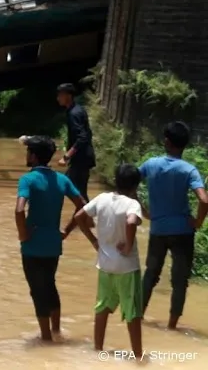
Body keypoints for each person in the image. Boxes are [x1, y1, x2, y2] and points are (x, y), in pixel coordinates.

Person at [17, 135, 96, 341]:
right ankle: (56, 331)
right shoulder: (62, 179)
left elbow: (19, 210)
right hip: (53, 243)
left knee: (37, 290)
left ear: (33, 156)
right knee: (49, 285)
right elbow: (83, 206)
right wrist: (67, 230)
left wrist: (23, 234)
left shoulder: (28, 179)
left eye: (28, 152)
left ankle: (45, 338)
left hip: (32, 245)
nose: (26, 156)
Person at [139, 121, 208, 329]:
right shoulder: (189, 170)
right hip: (183, 232)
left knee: (150, 275)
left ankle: (137, 318)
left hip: (158, 230)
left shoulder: (151, 164)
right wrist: (197, 221)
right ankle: (171, 326)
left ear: (166, 141)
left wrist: (144, 212)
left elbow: (128, 183)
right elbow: (204, 200)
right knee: (179, 281)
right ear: (185, 144)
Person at [72, 163, 144, 359]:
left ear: (116, 181)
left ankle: (98, 350)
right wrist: (128, 246)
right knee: (133, 312)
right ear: (135, 186)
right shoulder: (132, 204)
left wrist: (94, 240)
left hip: (105, 265)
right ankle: (138, 357)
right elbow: (131, 221)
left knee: (102, 307)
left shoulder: (102, 199)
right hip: (127, 267)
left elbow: (79, 216)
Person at [56, 83, 96, 202]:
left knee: (71, 189)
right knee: (77, 192)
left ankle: (85, 217)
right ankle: (83, 218)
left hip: (81, 160)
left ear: (68, 96)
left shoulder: (74, 113)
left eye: (60, 95)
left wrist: (67, 155)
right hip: (81, 159)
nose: (58, 98)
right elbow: (88, 133)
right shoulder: (76, 110)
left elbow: (83, 137)